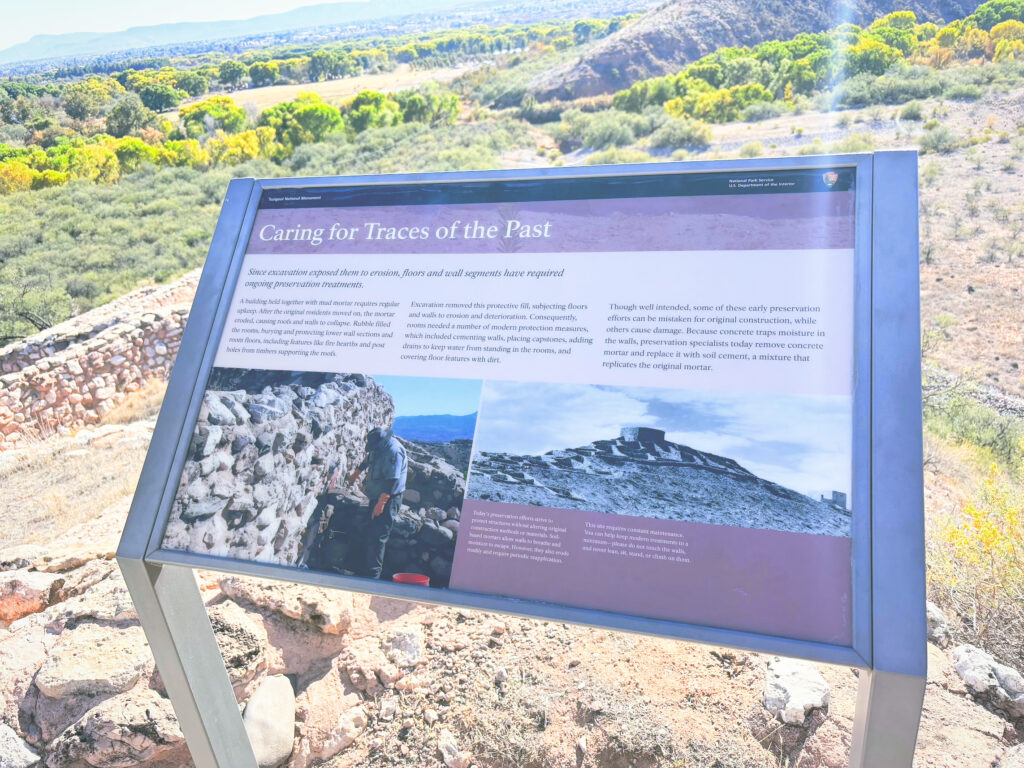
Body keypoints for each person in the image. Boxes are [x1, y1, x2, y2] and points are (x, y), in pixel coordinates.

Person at [343, 426, 407, 579]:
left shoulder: (393, 451)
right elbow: (369, 459)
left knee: (378, 537)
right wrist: (356, 472)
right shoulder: (378, 447)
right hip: (375, 494)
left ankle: (373, 576)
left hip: (389, 498)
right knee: (366, 530)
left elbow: (392, 480)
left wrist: (381, 504)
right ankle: (359, 568)